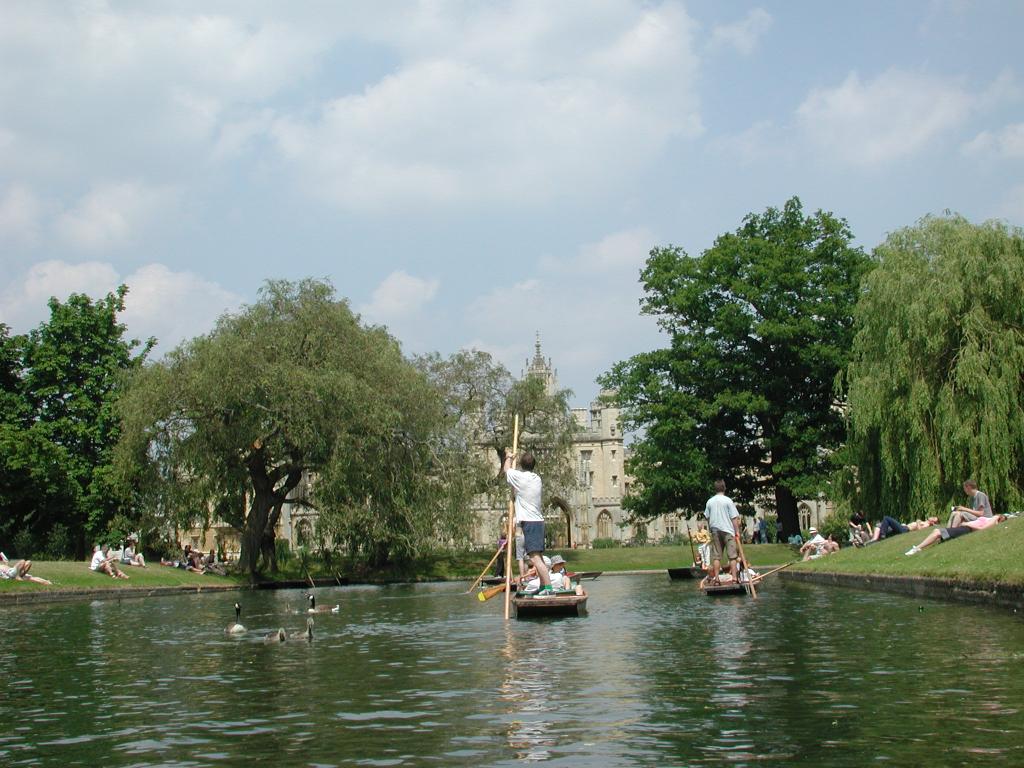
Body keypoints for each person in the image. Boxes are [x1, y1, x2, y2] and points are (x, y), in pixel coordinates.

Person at [503, 449, 551, 596]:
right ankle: (543, 587)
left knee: (534, 558)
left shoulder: (520, 478)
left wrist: (509, 457)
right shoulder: (537, 478)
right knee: (539, 557)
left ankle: (549, 589)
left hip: (530, 522)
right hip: (538, 522)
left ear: (522, 465)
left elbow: (506, 470)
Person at [905, 514, 1007, 555]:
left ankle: (917, 548)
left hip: (966, 529)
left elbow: (982, 528)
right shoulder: (991, 519)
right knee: (937, 532)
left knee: (937, 532)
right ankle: (918, 548)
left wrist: (967, 523)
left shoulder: (995, 519)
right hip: (965, 528)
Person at [705, 479, 741, 585]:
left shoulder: (709, 501)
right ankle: (734, 579)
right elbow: (734, 518)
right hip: (728, 531)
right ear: (724, 488)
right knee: (732, 556)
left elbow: (707, 517)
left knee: (716, 557)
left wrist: (711, 529)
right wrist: (737, 531)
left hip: (715, 531)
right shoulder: (728, 500)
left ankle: (717, 579)